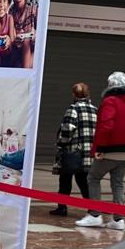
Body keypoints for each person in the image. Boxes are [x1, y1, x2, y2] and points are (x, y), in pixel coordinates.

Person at [76, 71, 125, 230]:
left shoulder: (110, 100)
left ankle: (94, 215)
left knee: (93, 177)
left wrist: (99, 148)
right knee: (118, 183)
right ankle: (118, 219)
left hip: (110, 148)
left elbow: (105, 126)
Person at [51, 82, 97, 216]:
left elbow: (67, 130)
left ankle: (62, 207)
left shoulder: (73, 109)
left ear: (73, 94)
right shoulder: (95, 109)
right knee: (83, 180)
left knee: (65, 179)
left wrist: (61, 143)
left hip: (73, 152)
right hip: (88, 152)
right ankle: (92, 207)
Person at [10, 0, 38, 68]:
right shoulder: (11, 11)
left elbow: (41, 29)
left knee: (27, 41)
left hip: (34, 49)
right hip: (18, 52)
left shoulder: (32, 0)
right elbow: (12, 38)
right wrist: (16, 40)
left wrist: (35, 34)